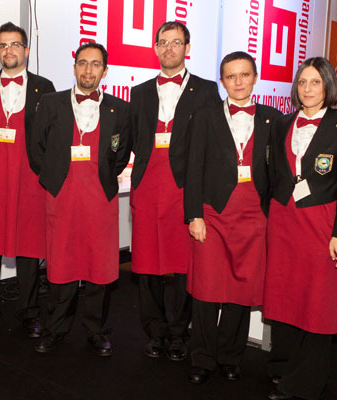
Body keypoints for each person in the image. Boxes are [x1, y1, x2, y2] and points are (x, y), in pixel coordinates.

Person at [263, 57, 337, 400]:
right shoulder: (282, 123)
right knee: (283, 296)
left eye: (315, 82)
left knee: (316, 301)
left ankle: (305, 382)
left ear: (328, 87)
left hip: (321, 224)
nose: (307, 89)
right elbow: (273, 175)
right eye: (302, 82)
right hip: (283, 221)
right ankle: (281, 366)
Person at [184, 51, 281, 383]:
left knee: (241, 290)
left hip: (254, 217)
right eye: (231, 76)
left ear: (255, 78)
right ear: (222, 81)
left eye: (244, 74)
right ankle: (202, 357)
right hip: (212, 214)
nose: (238, 82)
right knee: (206, 289)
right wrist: (194, 215)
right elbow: (193, 168)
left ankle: (230, 356)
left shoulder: (273, 118)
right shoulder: (205, 115)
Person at [30, 42, 130, 356]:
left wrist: (104, 179)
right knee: (61, 265)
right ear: (74, 67)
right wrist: (54, 181)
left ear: (105, 70)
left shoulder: (120, 109)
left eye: (95, 64)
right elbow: (36, 149)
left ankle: (96, 330)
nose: (88, 70)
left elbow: (121, 154)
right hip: (62, 197)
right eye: (83, 63)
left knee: (99, 268)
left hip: (101, 199)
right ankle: (55, 328)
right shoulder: (51, 103)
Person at [129, 21, 220, 360]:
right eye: (163, 42)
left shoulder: (207, 90)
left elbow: (214, 141)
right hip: (147, 187)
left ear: (187, 48)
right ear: (155, 48)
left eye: (176, 42)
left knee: (185, 264)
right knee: (147, 264)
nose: (169, 48)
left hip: (186, 188)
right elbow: (132, 138)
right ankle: (154, 331)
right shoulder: (139, 92)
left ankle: (180, 332)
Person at [0, 22, 55, 338]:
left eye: (15, 44)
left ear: (26, 50)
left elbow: (51, 133)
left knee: (29, 246)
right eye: (3, 45)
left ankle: (29, 313)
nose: (9, 50)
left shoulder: (44, 88)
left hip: (29, 178)